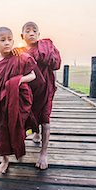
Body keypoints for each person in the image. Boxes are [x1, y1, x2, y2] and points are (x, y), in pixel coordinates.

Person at [0, 27, 37, 174]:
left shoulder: (20, 56)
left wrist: (17, 81)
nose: (7, 43)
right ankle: (4, 159)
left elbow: (32, 75)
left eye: (9, 39)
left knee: (17, 124)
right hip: (0, 100)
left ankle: (18, 146)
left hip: (18, 97)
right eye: (2, 40)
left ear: (14, 41)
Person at [19, 21, 61, 170]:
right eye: (28, 31)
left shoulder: (47, 47)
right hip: (29, 90)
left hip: (45, 89)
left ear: (38, 34)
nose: (31, 33)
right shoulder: (20, 52)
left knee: (45, 119)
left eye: (34, 31)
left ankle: (44, 153)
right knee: (29, 114)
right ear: (22, 35)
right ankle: (33, 133)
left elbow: (55, 65)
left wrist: (53, 86)